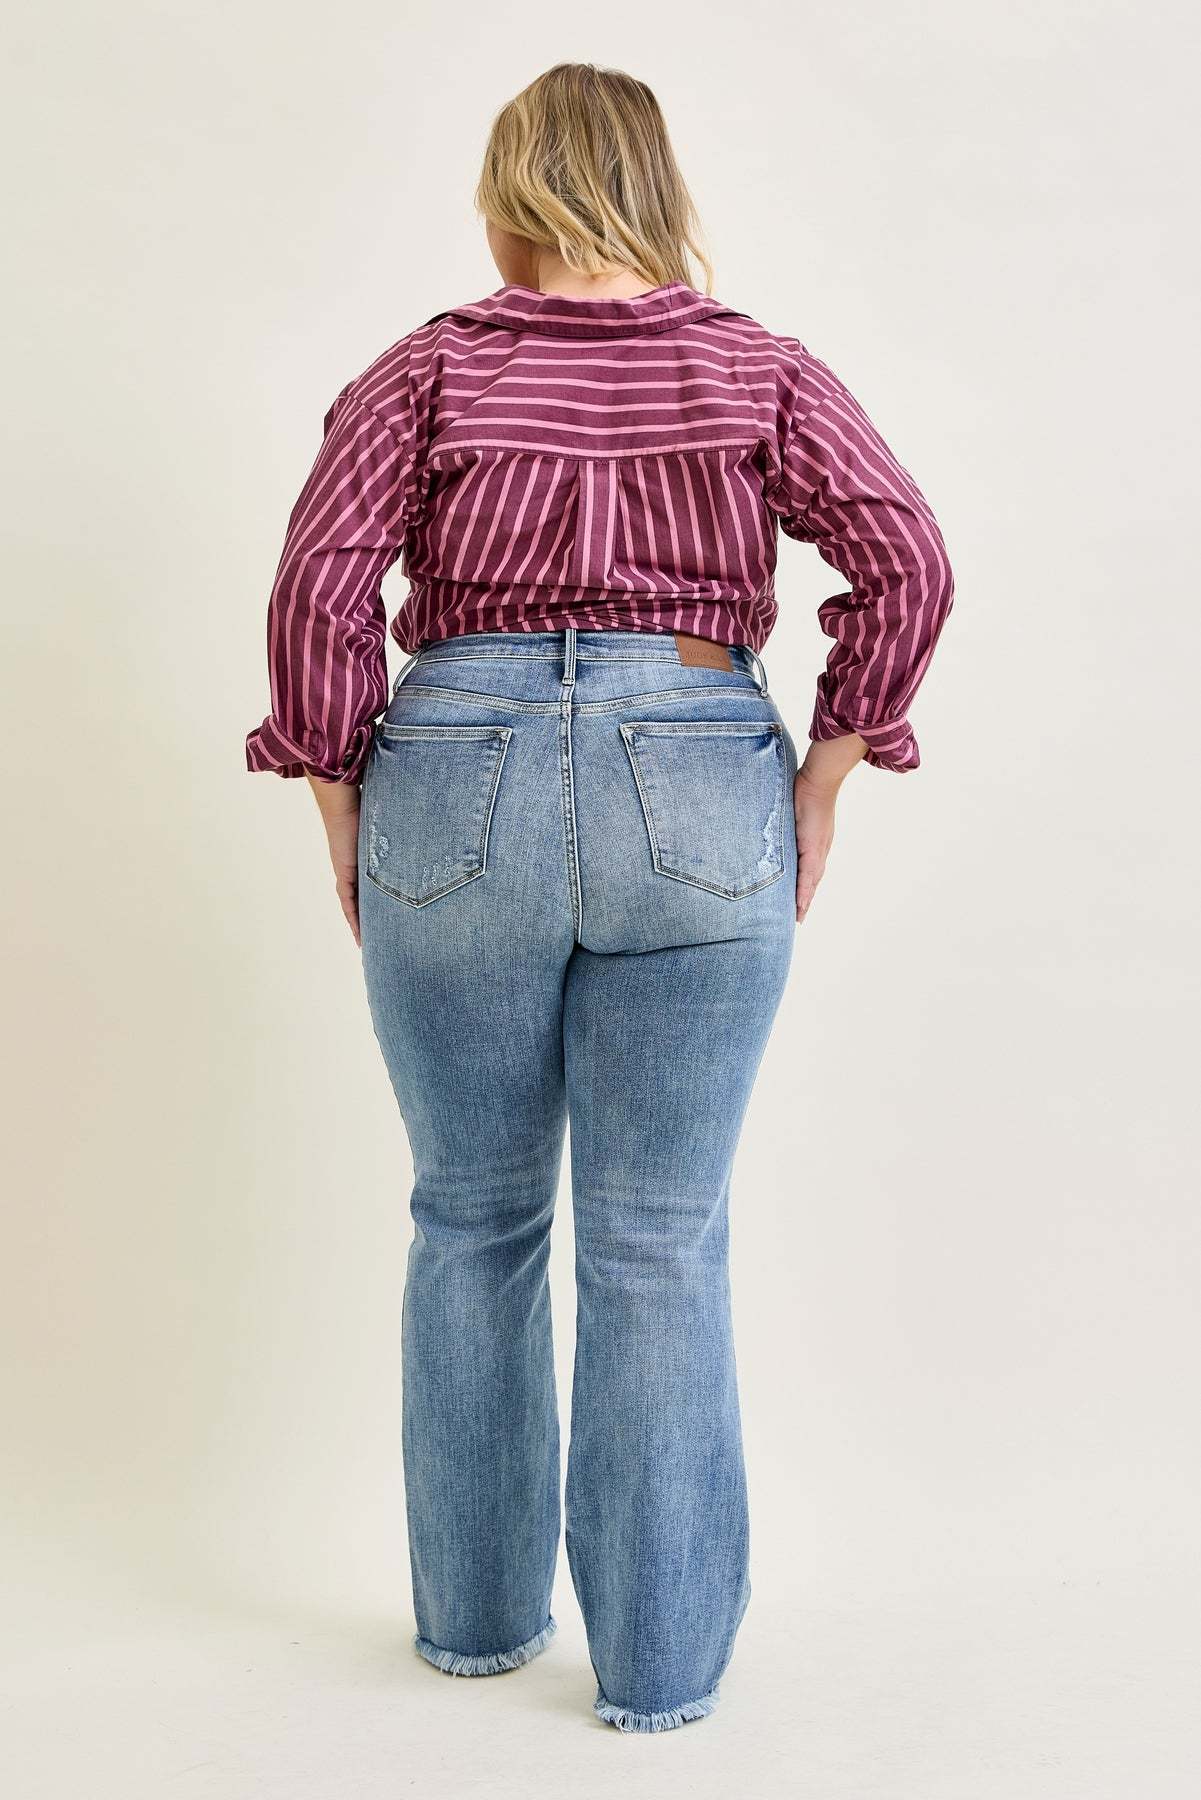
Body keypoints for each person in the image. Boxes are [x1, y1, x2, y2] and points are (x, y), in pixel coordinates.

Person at [245, 61, 954, 1734]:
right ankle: (657, 1670)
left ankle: (475, 1625)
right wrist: (824, 772)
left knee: (469, 1217)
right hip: (699, 766)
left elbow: (317, 588)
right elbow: (908, 559)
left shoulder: (427, 368)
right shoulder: (757, 366)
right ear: (655, 190)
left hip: (457, 773)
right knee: (658, 1239)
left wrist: (340, 791)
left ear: (509, 196)